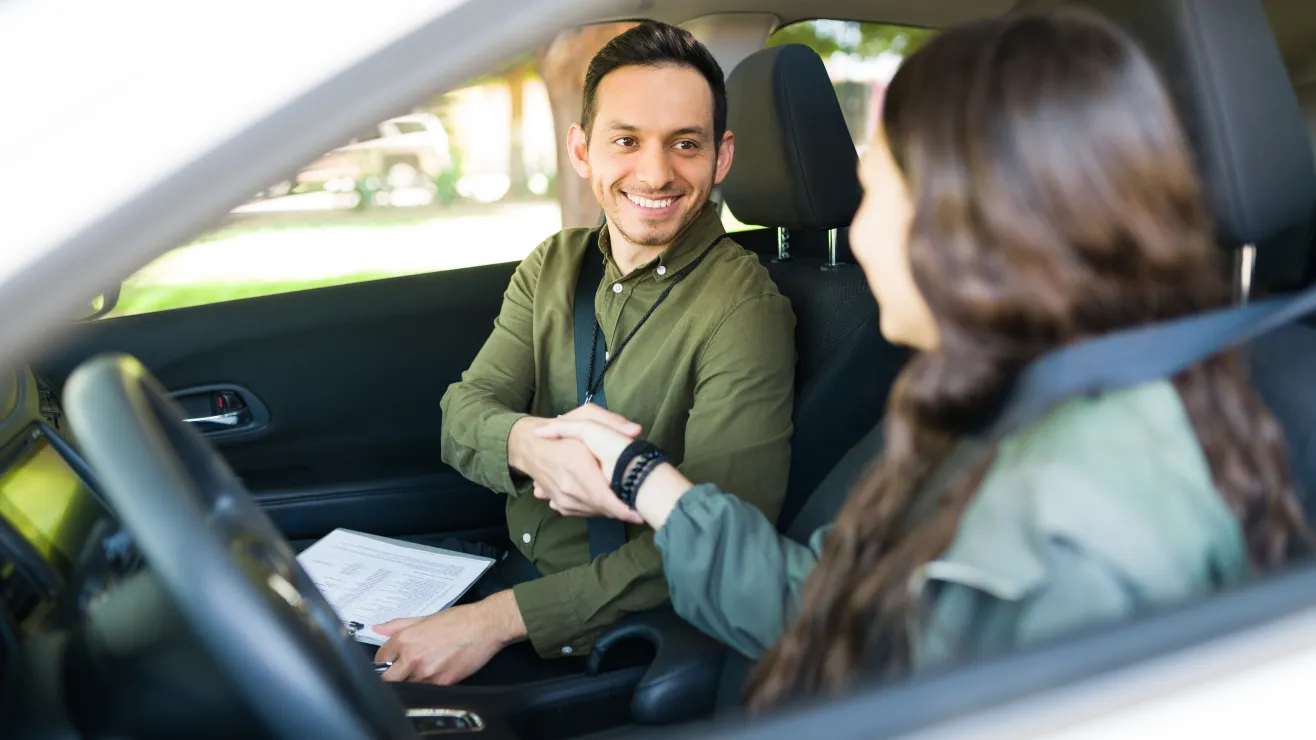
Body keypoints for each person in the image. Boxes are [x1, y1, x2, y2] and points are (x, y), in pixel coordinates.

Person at [530, 8, 1313, 713]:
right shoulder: (1006, 402)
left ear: (971, 222)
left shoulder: (1080, 517)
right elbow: (831, 605)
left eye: (881, 194)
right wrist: (639, 472)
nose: (862, 237)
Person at [372, 21, 796, 686]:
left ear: (721, 156)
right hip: (510, 566)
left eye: (686, 145)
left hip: (605, 634)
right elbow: (463, 413)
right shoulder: (553, 267)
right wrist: (526, 444)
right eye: (626, 141)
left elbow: (709, 544)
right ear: (581, 150)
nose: (655, 173)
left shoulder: (744, 309)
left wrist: (495, 620)